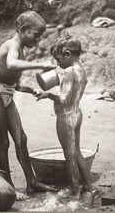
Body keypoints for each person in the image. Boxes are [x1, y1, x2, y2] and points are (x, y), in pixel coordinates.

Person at [0, 11, 57, 200]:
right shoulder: (12, 45)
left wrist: (31, 90)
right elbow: (12, 64)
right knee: (4, 142)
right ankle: (8, 187)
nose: (37, 40)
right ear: (23, 30)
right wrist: (40, 65)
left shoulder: (19, 47)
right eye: (35, 35)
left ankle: (32, 182)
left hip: (5, 92)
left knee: (21, 139)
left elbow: (11, 82)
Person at [36, 32, 93, 200]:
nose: (58, 64)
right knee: (77, 153)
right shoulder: (81, 70)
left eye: (59, 59)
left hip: (66, 117)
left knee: (69, 157)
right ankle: (88, 187)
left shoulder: (68, 71)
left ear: (68, 54)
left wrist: (47, 95)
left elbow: (63, 99)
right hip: (77, 113)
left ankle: (75, 192)